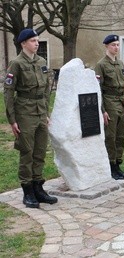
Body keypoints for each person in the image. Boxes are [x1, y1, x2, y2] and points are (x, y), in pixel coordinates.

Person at [3, 28, 58, 208]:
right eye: (33, 41)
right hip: (25, 112)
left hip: (40, 112)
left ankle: (38, 188)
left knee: (40, 152)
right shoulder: (16, 63)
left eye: (37, 40)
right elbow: (9, 93)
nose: (36, 43)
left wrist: (46, 113)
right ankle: (27, 191)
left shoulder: (41, 61)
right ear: (23, 43)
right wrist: (13, 120)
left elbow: (46, 89)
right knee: (27, 152)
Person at [94, 34, 124, 180]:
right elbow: (98, 89)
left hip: (121, 102)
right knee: (110, 136)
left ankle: (118, 164)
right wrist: (103, 110)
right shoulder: (101, 65)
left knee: (121, 135)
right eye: (113, 45)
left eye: (117, 45)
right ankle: (111, 165)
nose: (116, 47)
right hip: (109, 102)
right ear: (107, 46)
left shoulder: (120, 63)